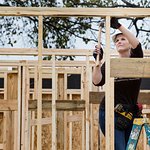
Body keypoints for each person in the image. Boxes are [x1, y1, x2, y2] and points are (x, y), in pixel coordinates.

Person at [92, 17, 143, 150]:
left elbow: (138, 45)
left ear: (129, 43)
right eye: (117, 40)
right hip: (110, 111)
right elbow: (96, 81)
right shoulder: (110, 64)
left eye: (123, 39)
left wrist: (118, 26)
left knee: (129, 148)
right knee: (120, 148)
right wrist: (98, 62)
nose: (119, 41)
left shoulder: (136, 61)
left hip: (129, 114)